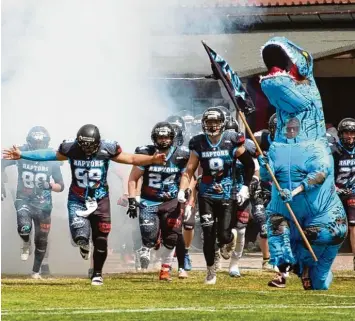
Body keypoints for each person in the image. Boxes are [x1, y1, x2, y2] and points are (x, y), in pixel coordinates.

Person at [3, 124, 166, 286]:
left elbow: (131, 158)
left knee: (101, 239)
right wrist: (22, 154)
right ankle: (83, 244)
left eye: (91, 145)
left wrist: (151, 159)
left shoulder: (107, 148)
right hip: (78, 198)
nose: (87, 149)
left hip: (100, 198)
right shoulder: (71, 148)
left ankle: (97, 274)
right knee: (80, 236)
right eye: (84, 145)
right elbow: (48, 154)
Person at [179, 107, 255, 284]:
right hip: (206, 192)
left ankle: (229, 238)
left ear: (222, 124)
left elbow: (250, 165)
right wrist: (183, 190)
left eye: (215, 122)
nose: (212, 125)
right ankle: (210, 270)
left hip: (228, 193)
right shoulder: (198, 142)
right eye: (209, 122)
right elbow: (189, 169)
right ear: (203, 124)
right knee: (208, 231)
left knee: (224, 235)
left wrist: (245, 186)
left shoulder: (231, 140)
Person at [127, 122, 193, 281]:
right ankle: (152, 242)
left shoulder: (181, 155)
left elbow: (187, 175)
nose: (163, 140)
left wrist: (183, 192)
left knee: (172, 237)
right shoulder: (147, 153)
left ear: (172, 138)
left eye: (166, 137)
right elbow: (133, 178)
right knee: (149, 238)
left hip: (171, 201)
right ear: (154, 138)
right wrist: (132, 198)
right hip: (149, 201)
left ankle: (165, 269)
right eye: (160, 137)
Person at [1, 126, 64, 279]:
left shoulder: (51, 157)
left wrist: (49, 186)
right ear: (28, 142)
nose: (37, 147)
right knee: (24, 227)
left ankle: (35, 272)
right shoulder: (21, 152)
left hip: (44, 204)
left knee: (42, 239)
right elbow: (2, 163)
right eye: (34, 143)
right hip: (24, 198)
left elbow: (61, 186)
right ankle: (25, 242)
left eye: (40, 144)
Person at [333, 118, 355, 270]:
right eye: (347, 133)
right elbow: (327, 174)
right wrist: (336, 189)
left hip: (353, 191)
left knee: (353, 225)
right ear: (341, 134)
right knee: (335, 228)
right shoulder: (334, 150)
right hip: (336, 191)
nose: (350, 136)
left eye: (352, 133)